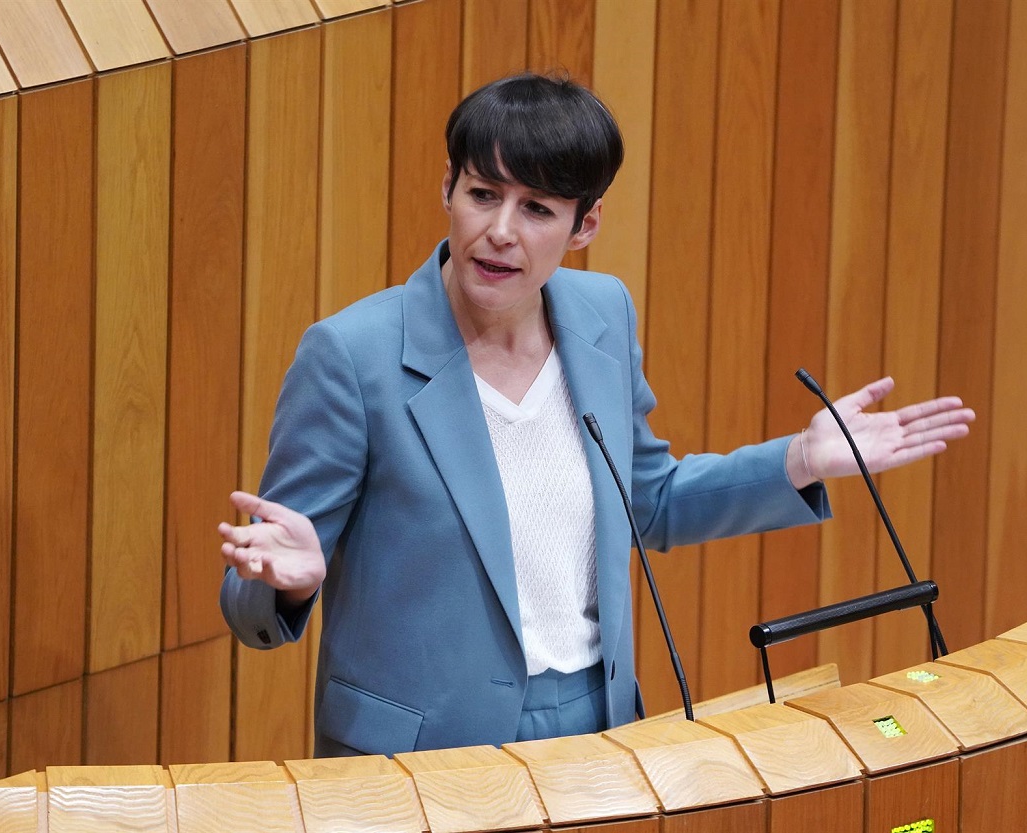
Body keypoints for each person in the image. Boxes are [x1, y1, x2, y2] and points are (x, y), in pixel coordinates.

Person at [218, 72, 974, 758]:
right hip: (422, 753)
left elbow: (647, 501)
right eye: (482, 194)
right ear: (448, 186)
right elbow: (249, 588)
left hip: (596, 724)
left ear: (584, 225)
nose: (501, 230)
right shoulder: (353, 356)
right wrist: (289, 585)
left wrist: (800, 461)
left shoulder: (601, 314)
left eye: (537, 208)